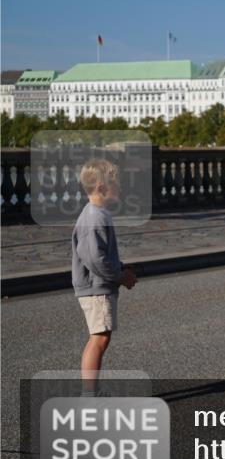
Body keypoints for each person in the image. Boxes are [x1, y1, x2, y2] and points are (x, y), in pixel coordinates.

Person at [72, 159, 137, 397]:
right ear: (101, 187)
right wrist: (120, 276)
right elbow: (95, 258)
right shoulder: (95, 217)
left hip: (97, 285)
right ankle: (90, 395)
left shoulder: (97, 214)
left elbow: (101, 254)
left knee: (100, 338)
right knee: (98, 339)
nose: (118, 186)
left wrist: (121, 268)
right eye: (115, 183)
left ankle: (91, 392)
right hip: (96, 287)